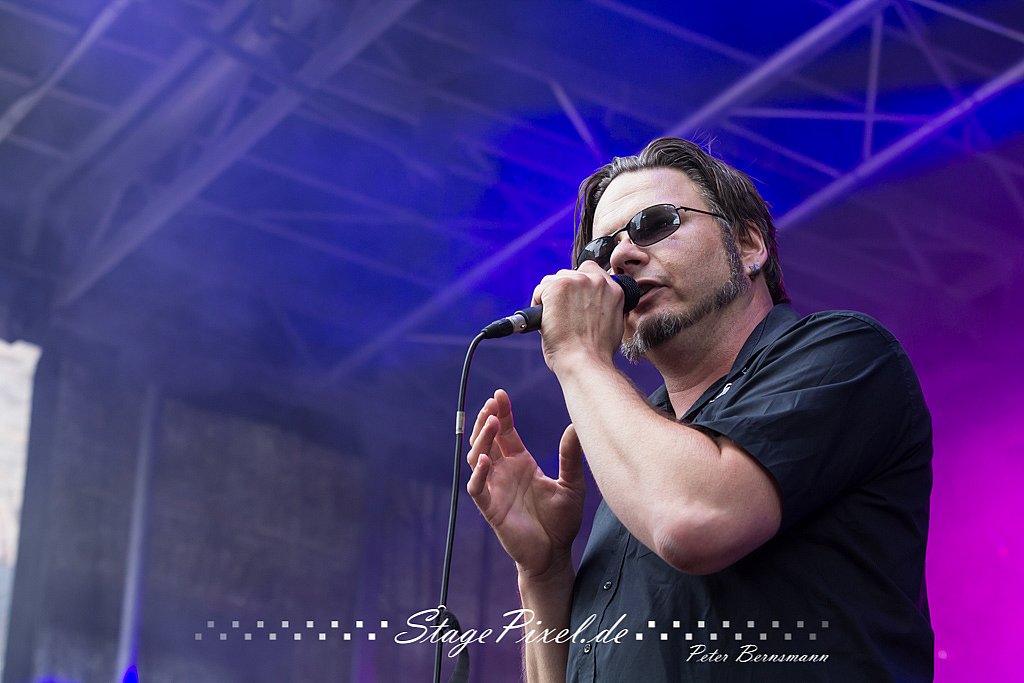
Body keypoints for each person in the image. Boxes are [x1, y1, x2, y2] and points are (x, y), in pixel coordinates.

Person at [466, 137, 933, 682]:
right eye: (600, 250)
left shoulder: (845, 351)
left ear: (749, 245)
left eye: (654, 223)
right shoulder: (642, 455)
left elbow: (694, 523)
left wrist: (576, 355)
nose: (618, 258)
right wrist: (544, 571)